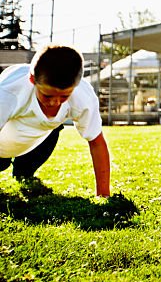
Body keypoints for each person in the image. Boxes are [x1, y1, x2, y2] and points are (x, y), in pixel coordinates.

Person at [0, 44, 111, 196]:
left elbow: (96, 142)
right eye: (47, 95)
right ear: (32, 79)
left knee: (53, 126)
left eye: (64, 96)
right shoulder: (8, 91)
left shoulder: (83, 95)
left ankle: (24, 171)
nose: (55, 103)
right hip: (2, 143)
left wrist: (103, 195)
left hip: (34, 141)